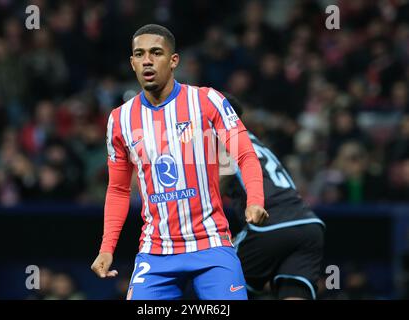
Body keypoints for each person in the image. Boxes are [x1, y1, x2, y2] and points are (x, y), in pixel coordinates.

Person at [90, 24, 268, 300]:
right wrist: (106, 247)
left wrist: (255, 199)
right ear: (132, 63)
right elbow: (118, 190)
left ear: (174, 61)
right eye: (139, 54)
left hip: (211, 246)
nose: (147, 60)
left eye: (156, 52)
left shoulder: (207, 100)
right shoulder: (119, 120)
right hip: (156, 252)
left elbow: (245, 154)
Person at [220, 93, 325, 300]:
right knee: (293, 293)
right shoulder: (255, 140)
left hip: (269, 224)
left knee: (216, 282)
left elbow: (214, 186)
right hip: (309, 224)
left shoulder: (220, 138)